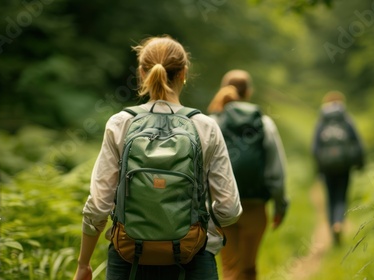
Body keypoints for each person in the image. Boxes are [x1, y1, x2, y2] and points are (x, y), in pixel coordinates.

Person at [73, 35, 242, 280]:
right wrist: (201, 230)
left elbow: (98, 206)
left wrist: (83, 264)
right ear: (184, 72)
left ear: (142, 73)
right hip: (193, 257)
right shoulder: (205, 126)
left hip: (129, 257)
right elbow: (230, 209)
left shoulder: (121, 123)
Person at [207, 69, 289, 280]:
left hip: (221, 206)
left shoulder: (211, 122)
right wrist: (280, 205)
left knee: (230, 269)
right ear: (249, 92)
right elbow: (275, 170)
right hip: (255, 205)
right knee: (249, 268)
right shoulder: (264, 122)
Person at [311, 91, 365, 246]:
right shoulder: (346, 120)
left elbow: (314, 148)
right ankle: (339, 223)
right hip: (344, 165)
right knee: (341, 195)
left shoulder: (322, 121)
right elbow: (357, 143)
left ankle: (332, 230)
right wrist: (360, 164)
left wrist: (319, 168)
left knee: (330, 197)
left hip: (327, 167)